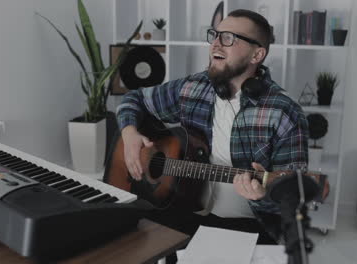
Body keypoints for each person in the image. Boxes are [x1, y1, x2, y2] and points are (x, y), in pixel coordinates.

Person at [116, 9, 308, 247]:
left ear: (256, 54)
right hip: (181, 209)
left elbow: (292, 203)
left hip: (250, 227)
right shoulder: (193, 87)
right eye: (215, 35)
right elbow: (134, 99)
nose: (216, 44)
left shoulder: (285, 114)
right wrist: (130, 133)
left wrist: (262, 196)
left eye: (229, 38)